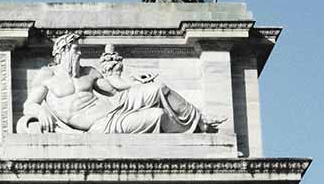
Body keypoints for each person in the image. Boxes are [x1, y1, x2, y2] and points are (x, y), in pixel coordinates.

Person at [22, 34, 220, 134]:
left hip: (116, 104)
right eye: (75, 49)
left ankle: (200, 119)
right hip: (101, 124)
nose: (79, 53)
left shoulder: (88, 72)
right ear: (61, 52)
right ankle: (192, 133)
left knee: (158, 88)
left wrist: (136, 81)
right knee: (157, 115)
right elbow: (29, 105)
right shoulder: (47, 75)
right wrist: (40, 112)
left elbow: (114, 87)